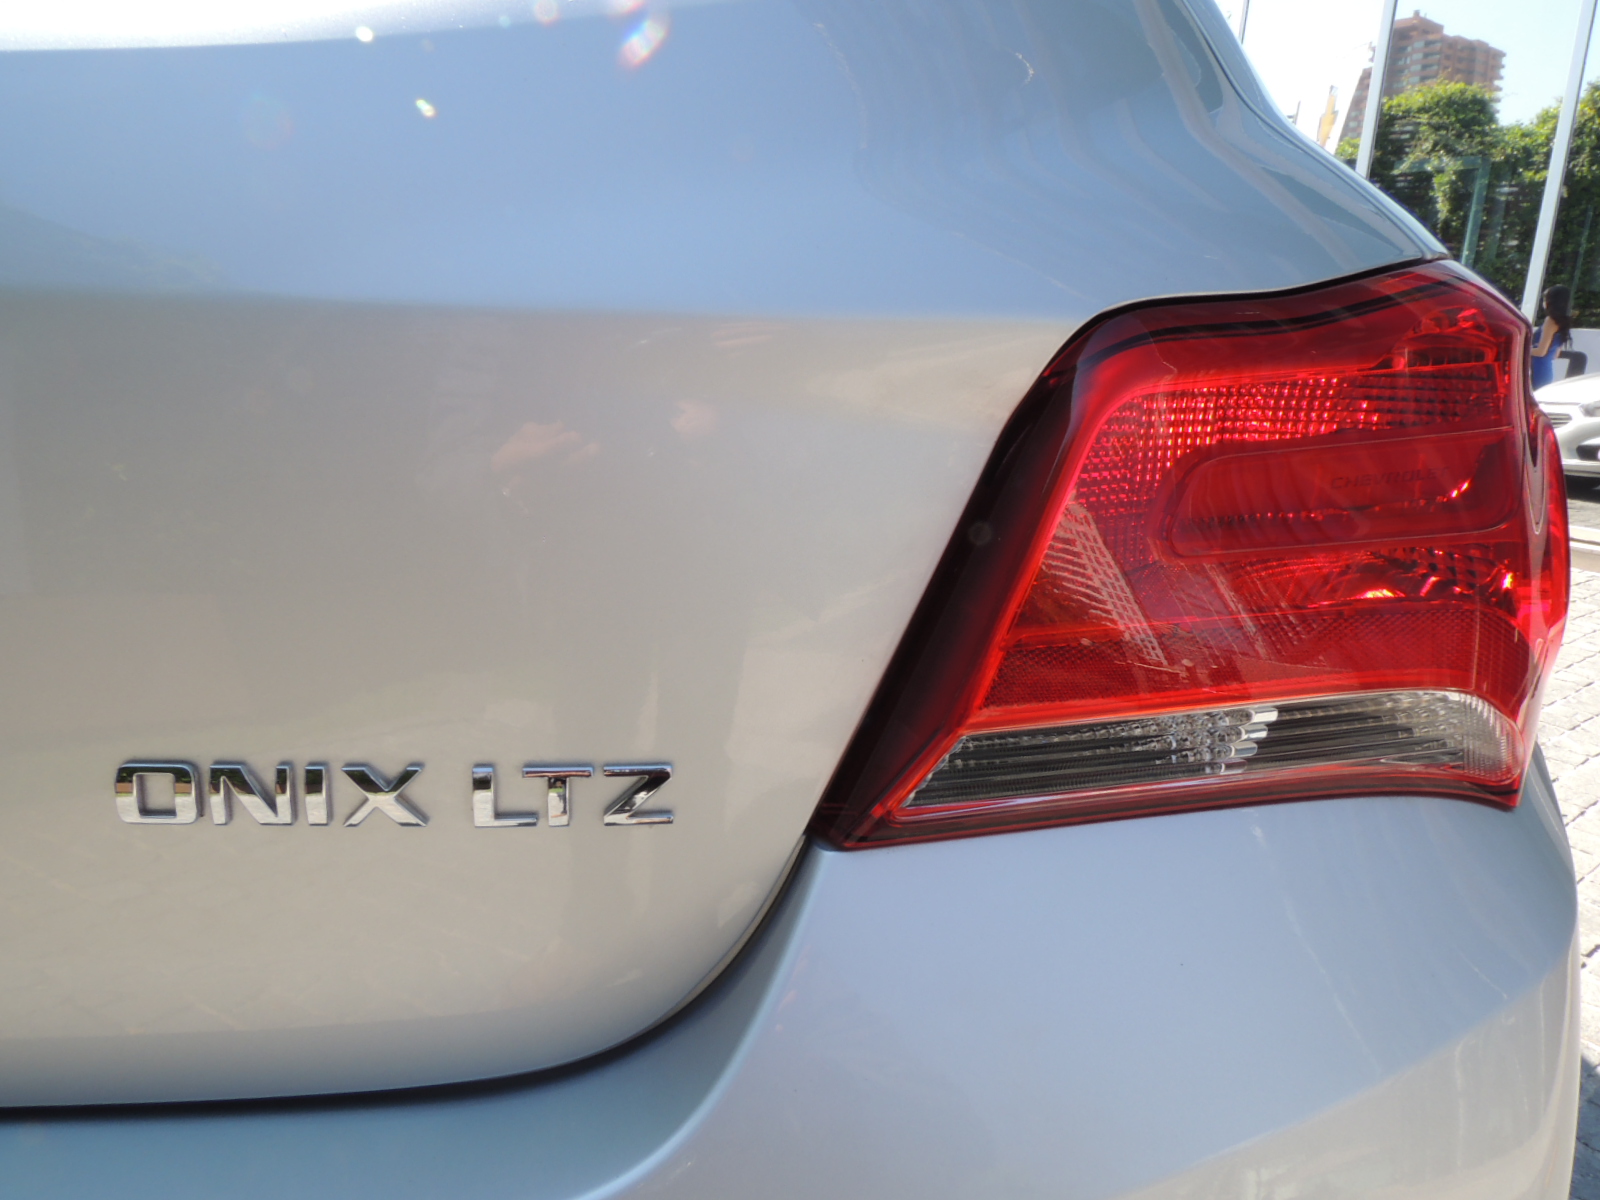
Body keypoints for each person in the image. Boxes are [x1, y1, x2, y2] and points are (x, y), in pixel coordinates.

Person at [1531, 284, 1574, 390]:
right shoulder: (1563, 322)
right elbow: (1555, 354)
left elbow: (1541, 352)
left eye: (1545, 298)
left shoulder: (1550, 321)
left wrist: (1519, 349)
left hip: (1537, 370)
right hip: (1545, 370)